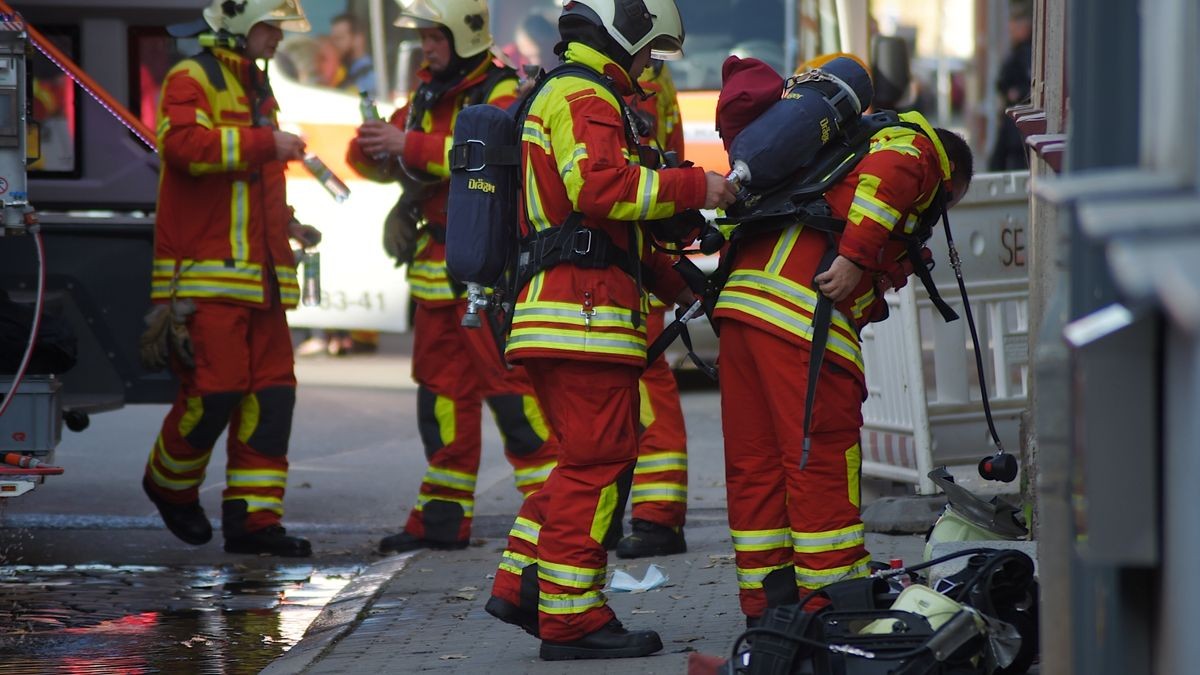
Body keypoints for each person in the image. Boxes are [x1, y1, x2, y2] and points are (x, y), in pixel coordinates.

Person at [484, 0, 736, 660]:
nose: (650, 65)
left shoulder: (572, 93)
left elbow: (613, 231)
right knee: (597, 465)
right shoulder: (584, 96)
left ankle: (520, 583)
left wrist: (694, 285)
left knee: (582, 462)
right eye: (649, 50)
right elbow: (602, 191)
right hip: (582, 316)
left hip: (568, 313)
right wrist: (699, 185)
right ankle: (572, 619)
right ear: (623, 33)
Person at [714, 104, 975, 624]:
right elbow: (893, 175)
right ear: (953, 178)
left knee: (756, 468)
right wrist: (856, 257)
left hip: (743, 310)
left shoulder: (841, 159)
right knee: (820, 460)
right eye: (948, 202)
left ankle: (768, 608)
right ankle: (830, 605)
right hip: (798, 320)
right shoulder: (918, 148)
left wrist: (875, 269)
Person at [346, 0, 560, 555]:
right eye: (422, 38)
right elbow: (370, 156)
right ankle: (441, 520)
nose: (426, 47)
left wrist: (406, 146)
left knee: (514, 400)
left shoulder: (500, 91)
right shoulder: (426, 92)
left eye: (434, 36)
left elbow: (488, 153)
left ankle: (559, 520)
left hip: (484, 272)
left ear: (464, 35)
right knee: (441, 400)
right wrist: (376, 147)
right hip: (434, 275)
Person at [142, 0, 318, 558]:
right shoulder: (192, 75)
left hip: (261, 280)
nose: (277, 39)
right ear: (241, 23)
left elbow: (249, 186)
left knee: (272, 399)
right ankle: (169, 485)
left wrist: (288, 224)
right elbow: (183, 148)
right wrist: (270, 144)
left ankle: (253, 521)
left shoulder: (256, 86)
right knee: (213, 393)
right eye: (271, 28)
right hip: (208, 278)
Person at [609, 59, 690, 559]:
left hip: (635, 257)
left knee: (647, 387)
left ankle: (659, 517)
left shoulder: (645, 79)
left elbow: (651, 162)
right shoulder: (637, 77)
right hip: (627, 255)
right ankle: (623, 514)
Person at [987, 0, 1033, 171]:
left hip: (1019, 132)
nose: (1010, 29)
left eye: (1014, 25)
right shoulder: (1017, 52)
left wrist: (1018, 92)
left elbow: (1029, 86)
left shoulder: (1027, 53)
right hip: (1013, 130)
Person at [330, 12, 376, 96]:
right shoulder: (341, 68)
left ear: (358, 39)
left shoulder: (370, 76)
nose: (334, 44)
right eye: (333, 39)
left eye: (340, 38)